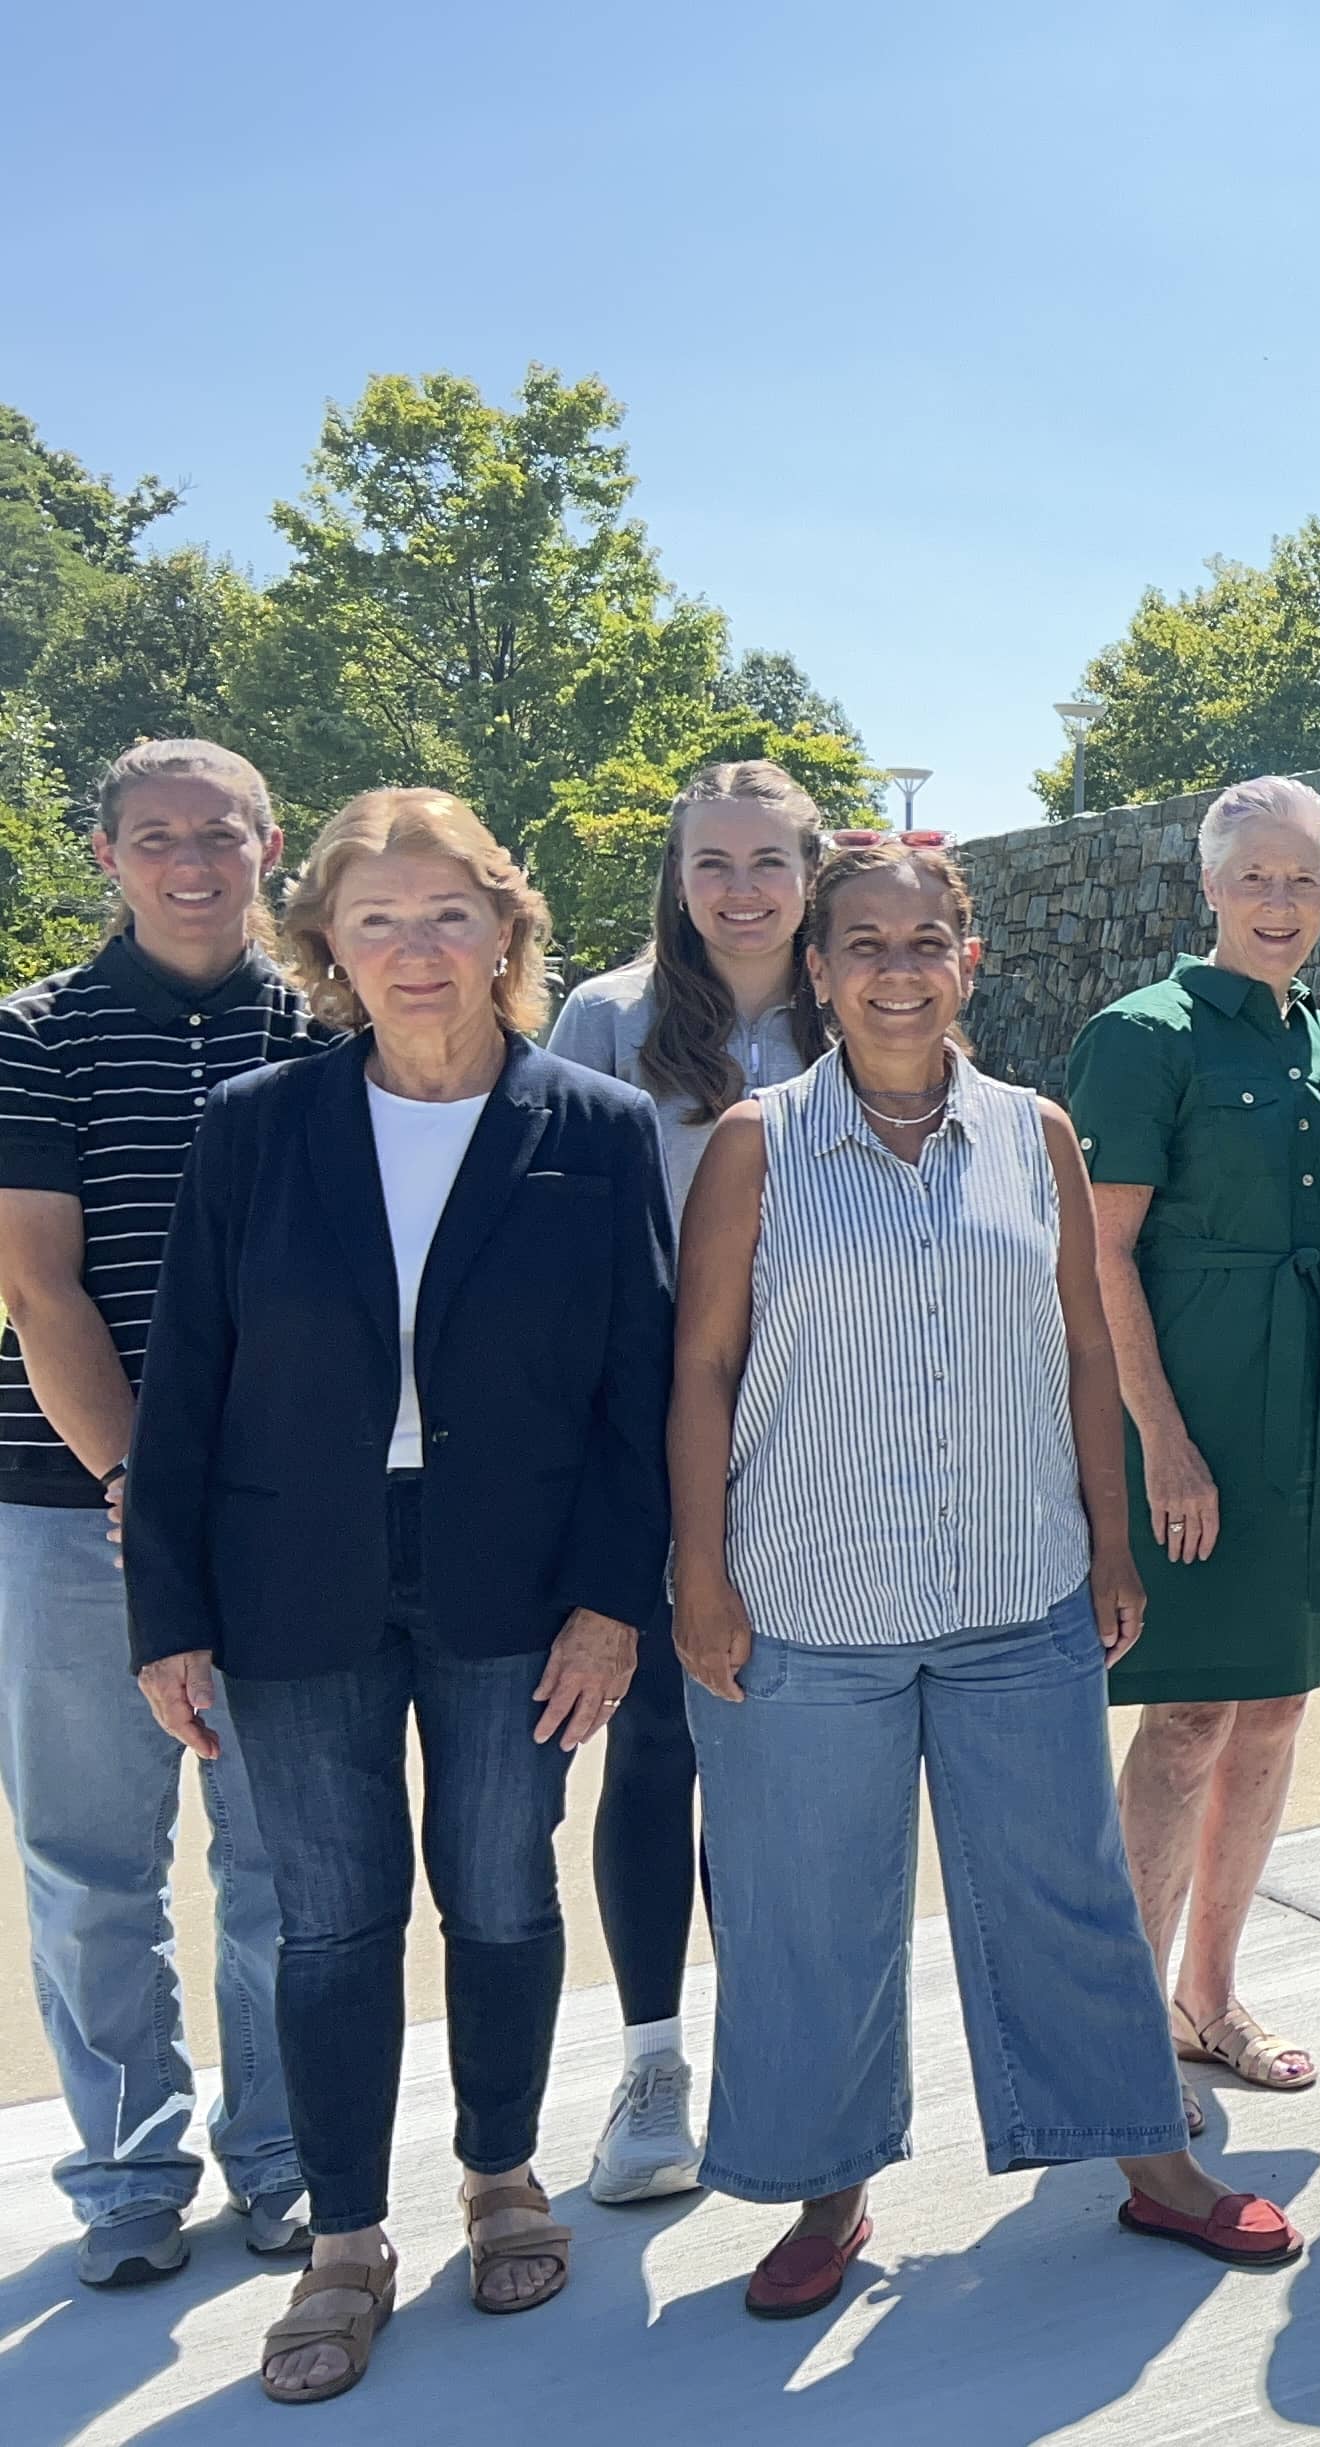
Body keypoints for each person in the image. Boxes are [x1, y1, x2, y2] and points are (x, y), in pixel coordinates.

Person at [670, 839, 1300, 2317]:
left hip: (1014, 1592)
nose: (898, 969)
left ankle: (1144, 2160)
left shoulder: (1039, 1133)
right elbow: (697, 1365)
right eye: (864, 944)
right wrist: (697, 1570)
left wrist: (1103, 1538)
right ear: (817, 972)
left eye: (926, 941)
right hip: (808, 1604)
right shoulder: (755, 1141)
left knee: (1065, 1895)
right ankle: (831, 2191)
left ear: (971, 959)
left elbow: (1084, 1346)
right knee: (813, 1907)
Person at [126, 789, 673, 2403]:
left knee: (503, 1888)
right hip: (293, 1574)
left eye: (448, 914)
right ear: (328, 948)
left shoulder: (594, 1124)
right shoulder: (255, 1125)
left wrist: (609, 1600)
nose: (417, 950)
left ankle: (500, 2169)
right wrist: (166, 1611)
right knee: (333, 1914)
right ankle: (344, 2238)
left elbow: (634, 1397)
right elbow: (185, 1381)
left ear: (504, 929)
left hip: (516, 1577)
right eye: (378, 920)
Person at [0, 741, 320, 2289]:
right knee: (89, 1863)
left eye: (219, 833)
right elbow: (37, 1280)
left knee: (279, 1860)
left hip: (286, 1516)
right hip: (74, 1504)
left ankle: (276, 2154)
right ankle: (129, 2170)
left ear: (272, 844)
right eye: (153, 837)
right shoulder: (34, 1032)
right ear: (109, 855)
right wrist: (142, 1485)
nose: (190, 861)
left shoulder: (332, 1026)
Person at [1068, 778, 1320, 2107]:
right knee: (1189, 1707)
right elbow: (1098, 1253)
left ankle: (1212, 1994)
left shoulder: (1319, 1035)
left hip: (1316, 1395)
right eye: (1253, 876)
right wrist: (1163, 1440)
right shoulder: (1140, 1034)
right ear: (1206, 885)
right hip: (1198, 1399)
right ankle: (1126, 2015)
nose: (1278, 902)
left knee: (1276, 1701)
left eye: (1302, 879)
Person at [541, 758, 828, 2205]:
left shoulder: (864, 998)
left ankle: (782, 2042)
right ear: (675, 873)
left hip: (836, 1441)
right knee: (658, 1741)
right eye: (710, 861)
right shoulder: (607, 1017)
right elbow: (563, 1237)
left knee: (790, 1763)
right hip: (664, 1434)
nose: (739, 888)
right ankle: (653, 2061)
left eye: (766, 859)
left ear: (810, 865)